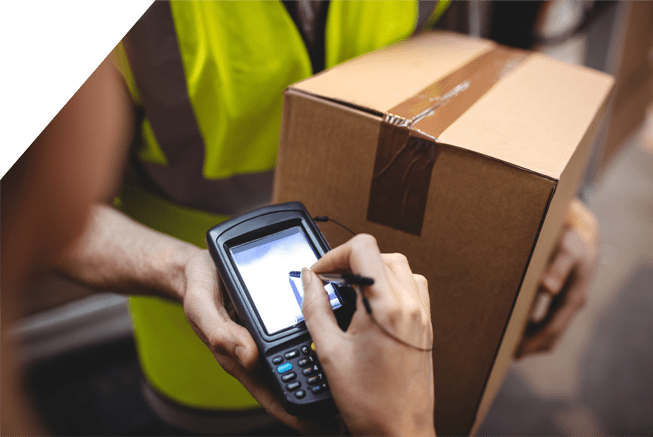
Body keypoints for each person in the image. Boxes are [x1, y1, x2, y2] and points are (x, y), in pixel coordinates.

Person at [3, 1, 600, 435]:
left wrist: (558, 211)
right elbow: (22, 195)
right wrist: (182, 270)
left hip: (388, 330)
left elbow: (473, 92)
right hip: (204, 349)